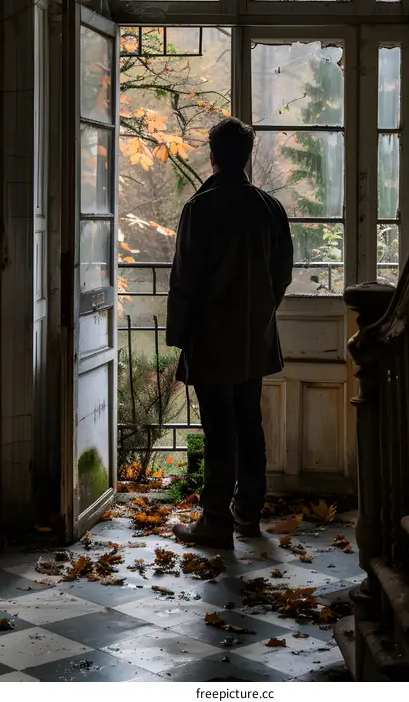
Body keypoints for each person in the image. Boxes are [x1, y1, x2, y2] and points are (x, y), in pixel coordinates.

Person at [166, 117, 294, 549]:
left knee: (219, 429)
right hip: (253, 337)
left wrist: (179, 337)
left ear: (213, 155)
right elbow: (282, 275)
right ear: (247, 155)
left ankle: (216, 520)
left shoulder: (201, 208)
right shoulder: (270, 208)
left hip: (210, 338)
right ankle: (248, 514)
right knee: (248, 422)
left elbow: (185, 280)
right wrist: (260, 313)